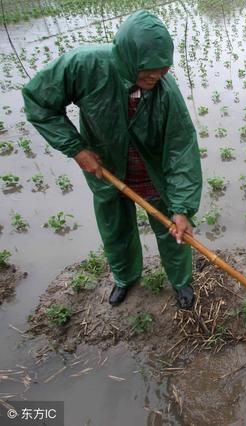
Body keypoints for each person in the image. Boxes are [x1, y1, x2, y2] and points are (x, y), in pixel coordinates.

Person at [22, 10, 202, 309]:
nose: (155, 76)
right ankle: (125, 277)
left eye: (163, 68)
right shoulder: (84, 65)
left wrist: (182, 207)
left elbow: (181, 149)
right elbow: (39, 102)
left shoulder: (166, 91)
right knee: (115, 228)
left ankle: (180, 280)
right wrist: (77, 149)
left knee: (173, 230)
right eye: (147, 69)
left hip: (152, 173)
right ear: (128, 58)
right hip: (105, 169)